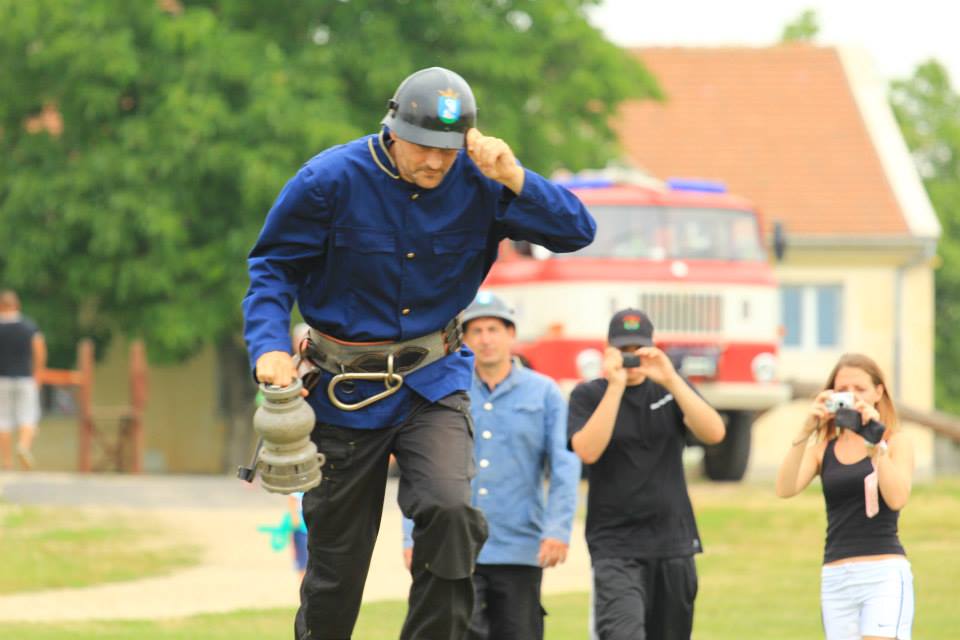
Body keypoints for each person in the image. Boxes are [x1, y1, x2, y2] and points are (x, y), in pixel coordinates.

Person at [242, 66, 596, 640]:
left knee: (451, 512)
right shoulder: (328, 181)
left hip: (434, 381)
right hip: (343, 392)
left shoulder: (484, 182)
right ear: (392, 130)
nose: (435, 162)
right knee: (336, 567)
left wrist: (513, 175)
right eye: (423, 147)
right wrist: (269, 347)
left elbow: (577, 231)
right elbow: (272, 268)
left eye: (447, 151)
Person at [401, 292, 581, 639]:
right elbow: (419, 470)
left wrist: (558, 529)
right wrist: (411, 536)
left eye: (494, 329)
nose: (485, 339)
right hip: (454, 547)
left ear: (511, 334)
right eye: (476, 331)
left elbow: (564, 465)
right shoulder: (445, 392)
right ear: (463, 339)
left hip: (519, 547)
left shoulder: (545, 393)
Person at [567, 308, 725, 640]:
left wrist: (671, 379)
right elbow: (588, 450)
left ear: (652, 348)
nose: (631, 358)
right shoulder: (589, 395)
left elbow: (714, 433)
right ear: (608, 350)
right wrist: (615, 387)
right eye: (623, 350)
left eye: (638, 350)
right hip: (615, 546)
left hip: (673, 542)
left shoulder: (670, 390)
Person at [775, 353, 914, 640]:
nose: (851, 396)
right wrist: (806, 429)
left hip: (883, 573)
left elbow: (897, 498)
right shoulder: (823, 449)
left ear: (878, 392)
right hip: (837, 576)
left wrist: (875, 443)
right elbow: (785, 488)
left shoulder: (895, 442)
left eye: (859, 389)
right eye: (842, 390)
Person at [0, 289, 46, 471]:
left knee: (3, 420)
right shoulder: (29, 327)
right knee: (28, 416)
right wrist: (39, 373)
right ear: (17, 305)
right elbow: (39, 350)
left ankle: (6, 462)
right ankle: (23, 446)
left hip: (2, 380)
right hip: (25, 378)